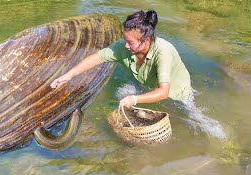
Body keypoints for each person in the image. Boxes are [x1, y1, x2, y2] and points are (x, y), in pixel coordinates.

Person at [50, 10, 193, 108]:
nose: (125, 45)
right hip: (145, 82)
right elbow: (97, 57)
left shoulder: (163, 52)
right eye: (125, 39)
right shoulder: (124, 47)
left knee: (195, 119)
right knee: (121, 96)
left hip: (176, 92)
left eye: (130, 42)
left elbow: (163, 92)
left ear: (146, 40)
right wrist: (69, 75)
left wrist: (135, 99)